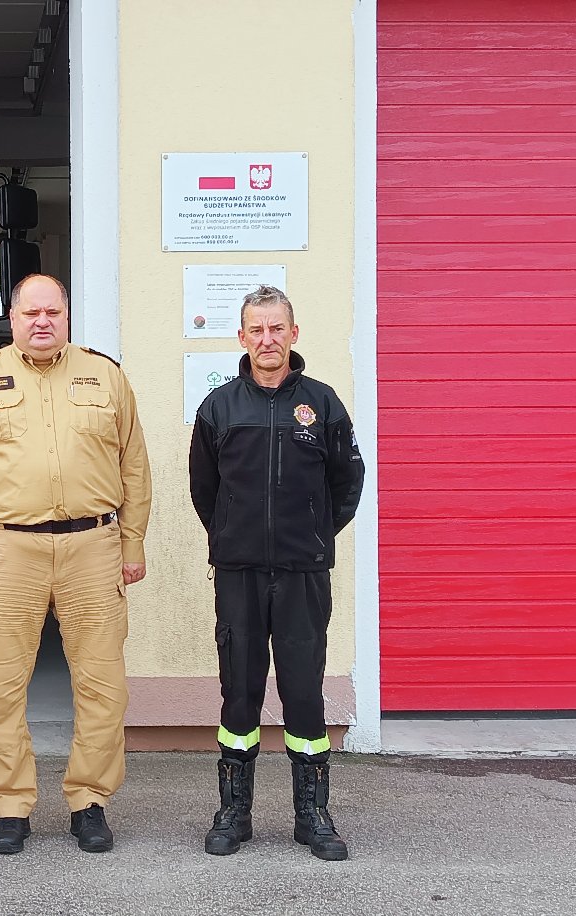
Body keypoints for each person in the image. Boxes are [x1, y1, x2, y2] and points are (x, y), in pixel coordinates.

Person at [0, 273, 151, 855]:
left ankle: (90, 801)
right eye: (31, 313)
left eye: (52, 311)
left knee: (103, 685)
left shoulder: (105, 376)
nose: (42, 322)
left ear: (66, 316)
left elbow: (134, 466)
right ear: (12, 318)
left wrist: (132, 543)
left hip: (93, 549)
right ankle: (9, 806)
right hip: (8, 551)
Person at [188, 285, 364, 861]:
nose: (267, 339)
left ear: (294, 333)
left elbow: (347, 482)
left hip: (301, 572)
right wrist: (232, 537)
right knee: (239, 690)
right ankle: (234, 811)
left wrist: (312, 536)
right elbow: (204, 490)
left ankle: (312, 815)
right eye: (257, 329)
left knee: (304, 690)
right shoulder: (219, 408)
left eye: (277, 328)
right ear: (241, 336)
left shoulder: (322, 403)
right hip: (238, 573)